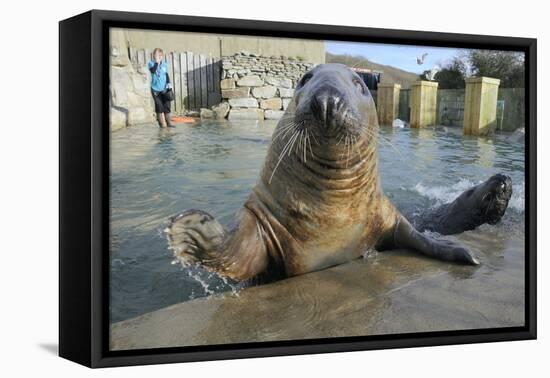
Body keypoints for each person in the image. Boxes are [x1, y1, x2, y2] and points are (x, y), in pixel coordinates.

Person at [147, 48, 173, 128]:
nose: (157, 57)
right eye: (155, 55)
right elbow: (153, 71)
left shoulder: (165, 64)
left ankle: (169, 123)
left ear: (162, 56)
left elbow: (166, 75)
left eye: (159, 55)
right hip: (155, 90)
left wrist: (169, 85)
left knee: (167, 106)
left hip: (164, 89)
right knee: (159, 107)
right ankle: (161, 125)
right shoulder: (151, 63)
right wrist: (157, 63)